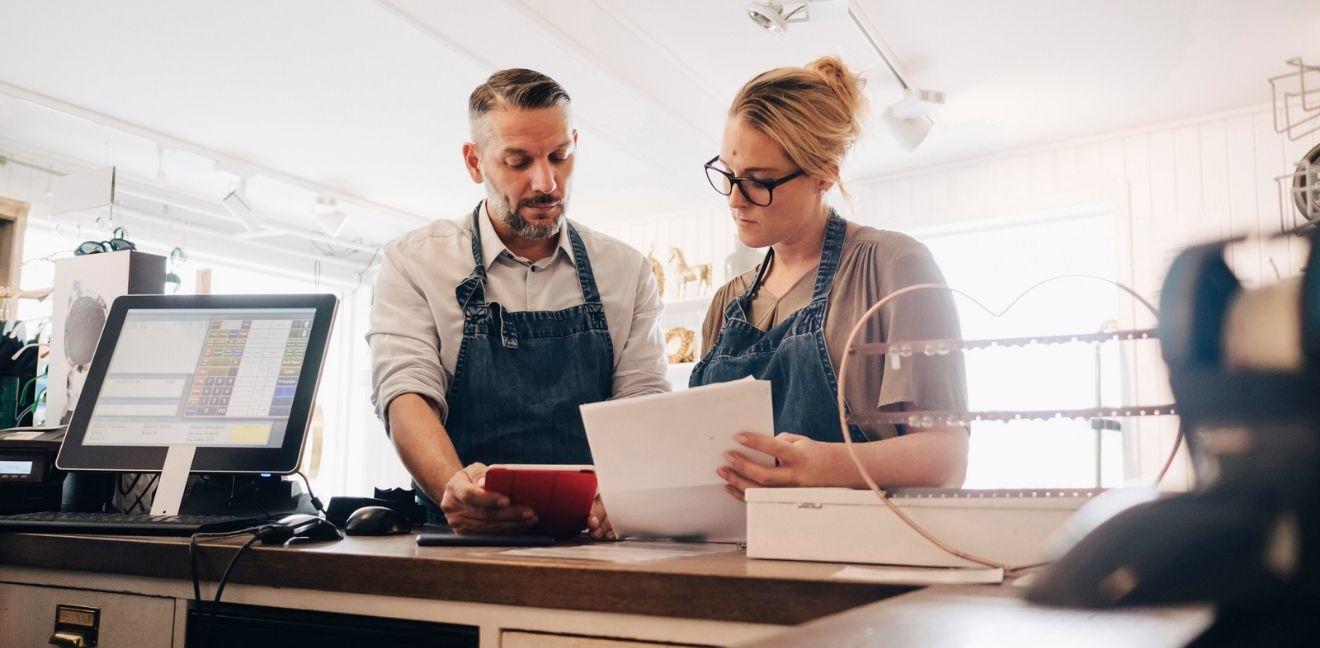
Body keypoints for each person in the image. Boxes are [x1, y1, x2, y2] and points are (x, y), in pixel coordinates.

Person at [368, 69, 668, 535]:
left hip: (593, 541)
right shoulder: (413, 262)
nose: (546, 182)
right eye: (519, 161)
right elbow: (406, 393)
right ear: (474, 162)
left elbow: (643, 397)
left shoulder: (627, 271)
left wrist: (626, 491)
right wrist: (455, 488)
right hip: (458, 540)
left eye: (559, 157)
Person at [691, 56, 969, 501]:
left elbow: (946, 458)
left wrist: (825, 466)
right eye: (728, 174)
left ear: (824, 175)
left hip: (856, 557)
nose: (735, 200)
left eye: (759, 181)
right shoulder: (728, 301)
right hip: (735, 556)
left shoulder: (893, 267)